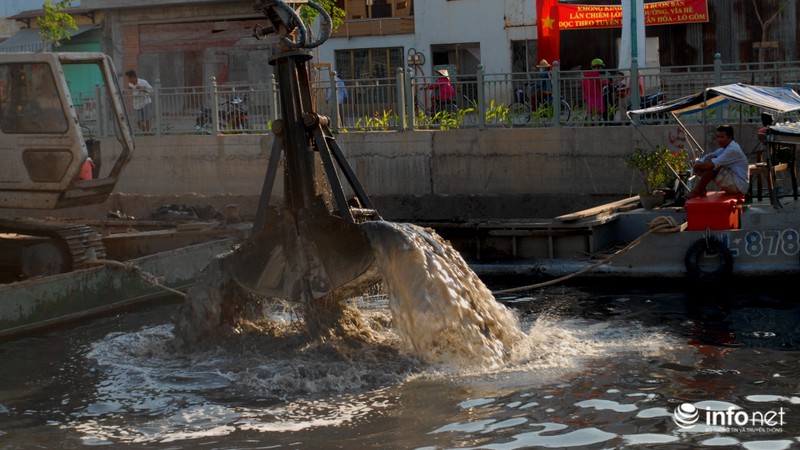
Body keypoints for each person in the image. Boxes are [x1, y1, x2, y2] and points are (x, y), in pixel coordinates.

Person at [686, 124, 750, 199]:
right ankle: (701, 189)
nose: (719, 140)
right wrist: (699, 163)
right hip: (734, 182)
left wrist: (697, 165)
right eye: (718, 137)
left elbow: (712, 165)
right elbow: (709, 156)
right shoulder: (724, 148)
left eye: (722, 137)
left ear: (730, 138)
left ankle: (697, 190)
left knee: (713, 167)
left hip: (739, 186)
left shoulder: (732, 150)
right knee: (708, 161)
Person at [581, 58, 610, 123]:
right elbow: (600, 83)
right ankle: (596, 125)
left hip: (587, 94)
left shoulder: (586, 74)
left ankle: (589, 124)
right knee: (597, 111)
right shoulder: (596, 74)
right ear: (598, 66)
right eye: (601, 67)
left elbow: (582, 83)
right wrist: (608, 83)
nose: (601, 69)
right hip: (596, 95)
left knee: (589, 110)